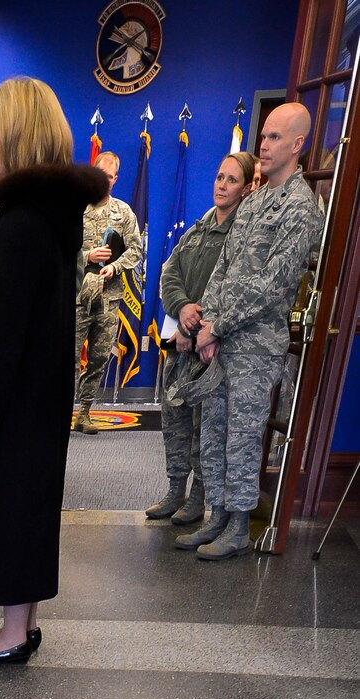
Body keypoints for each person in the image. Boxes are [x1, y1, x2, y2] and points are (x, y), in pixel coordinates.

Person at [0, 78, 108, 664]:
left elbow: (2, 337)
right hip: (38, 399)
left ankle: (14, 634)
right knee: (29, 508)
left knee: (10, 509)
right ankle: (23, 623)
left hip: (11, 405)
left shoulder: (18, 223)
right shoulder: (49, 213)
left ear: (18, 133)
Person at [177, 102, 323, 559]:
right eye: (263, 135)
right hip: (220, 341)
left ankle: (239, 525)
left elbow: (271, 284)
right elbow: (224, 268)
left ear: (298, 145)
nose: (263, 143)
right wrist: (208, 324)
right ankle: (216, 516)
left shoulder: (300, 208)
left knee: (242, 436)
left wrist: (218, 324)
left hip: (256, 348)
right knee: (215, 432)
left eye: (275, 137)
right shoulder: (254, 200)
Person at [146, 152, 254, 526]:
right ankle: (175, 490)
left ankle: (198, 498)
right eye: (220, 177)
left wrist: (195, 323)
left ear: (246, 188)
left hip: (209, 351)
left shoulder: (241, 234)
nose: (222, 185)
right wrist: (181, 307)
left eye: (232, 180)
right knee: (173, 421)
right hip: (181, 343)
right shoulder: (198, 228)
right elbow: (168, 273)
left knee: (202, 430)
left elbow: (230, 286)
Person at [73, 149, 142, 433]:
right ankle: (59, 411)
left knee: (100, 357)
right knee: (68, 357)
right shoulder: (74, 207)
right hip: (76, 296)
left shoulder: (123, 212)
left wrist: (115, 266)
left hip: (108, 297)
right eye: (100, 174)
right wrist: (87, 256)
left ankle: (84, 413)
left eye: (110, 177)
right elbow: (59, 249)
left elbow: (136, 250)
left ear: (116, 179)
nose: (105, 180)